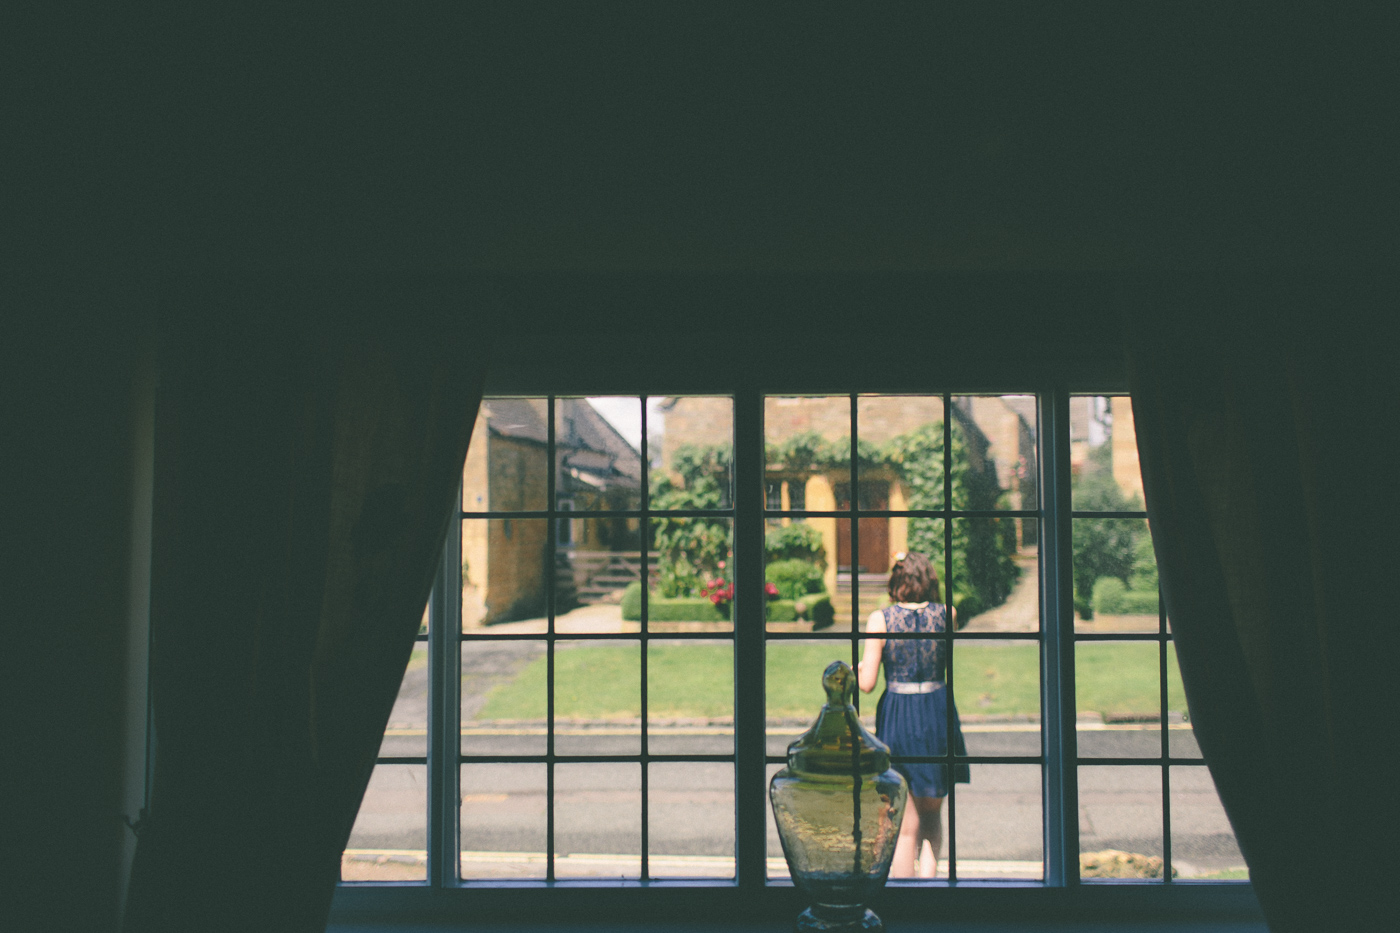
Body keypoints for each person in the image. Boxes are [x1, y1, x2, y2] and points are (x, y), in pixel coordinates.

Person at [858, 551, 970, 879]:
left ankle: (907, 900)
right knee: (933, 814)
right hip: (936, 710)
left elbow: (866, 685)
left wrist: (859, 668)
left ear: (896, 579)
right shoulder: (947, 614)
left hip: (898, 714)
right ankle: (932, 892)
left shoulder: (881, 619)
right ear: (928, 580)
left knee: (904, 825)